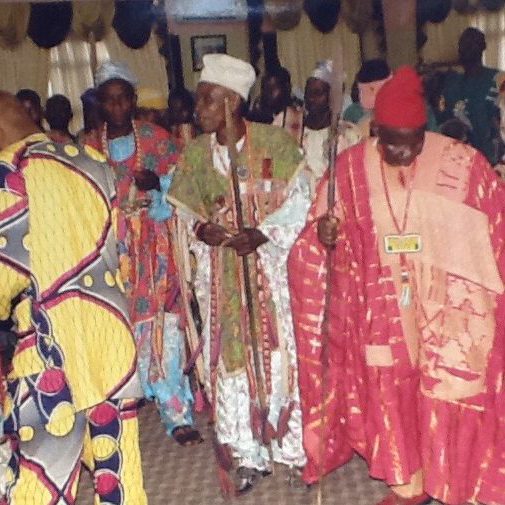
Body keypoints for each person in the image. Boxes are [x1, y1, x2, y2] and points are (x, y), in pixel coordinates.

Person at [289, 65, 505, 505]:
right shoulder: (350, 169)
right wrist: (326, 234)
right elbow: (319, 232)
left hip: (451, 312)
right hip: (385, 307)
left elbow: (497, 227)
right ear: (375, 130)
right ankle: (409, 483)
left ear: (424, 131)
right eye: (390, 143)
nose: (402, 154)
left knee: (452, 390)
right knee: (393, 392)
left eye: (412, 143)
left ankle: (454, 479)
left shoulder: (464, 163)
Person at [168, 53, 310, 493]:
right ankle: (246, 454)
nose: (199, 109)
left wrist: (264, 234)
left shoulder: (278, 146)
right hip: (222, 278)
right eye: (200, 100)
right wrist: (200, 228)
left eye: (208, 100)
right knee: (231, 365)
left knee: (277, 356)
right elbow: (184, 217)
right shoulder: (194, 155)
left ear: (233, 101)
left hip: (269, 275)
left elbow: (301, 204)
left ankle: (289, 448)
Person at [0, 90, 147, 504]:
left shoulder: (10, 173)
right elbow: (120, 249)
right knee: (117, 477)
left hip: (51, 356)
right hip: (110, 346)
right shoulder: (92, 161)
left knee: (37, 478)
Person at [85, 61, 201, 447]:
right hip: (113, 255)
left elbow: (185, 187)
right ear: (100, 103)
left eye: (123, 99)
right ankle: (123, 402)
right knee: (118, 327)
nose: (117, 107)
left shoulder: (157, 138)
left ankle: (176, 413)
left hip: (155, 249)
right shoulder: (86, 147)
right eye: (109, 100)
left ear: (133, 100)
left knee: (165, 328)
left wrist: (159, 184)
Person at [440, 27, 503, 164]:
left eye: (471, 44)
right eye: (462, 45)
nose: (465, 49)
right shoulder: (452, 83)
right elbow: (445, 122)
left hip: (493, 161)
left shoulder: (499, 79)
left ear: (483, 47)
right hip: (460, 161)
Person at [302, 60, 362, 183]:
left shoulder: (348, 135)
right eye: (307, 93)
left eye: (318, 93)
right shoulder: (294, 131)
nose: (311, 98)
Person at [248, 66, 304, 143]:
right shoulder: (257, 117)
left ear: (287, 88)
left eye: (272, 88)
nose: (267, 93)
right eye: (264, 88)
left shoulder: (299, 116)